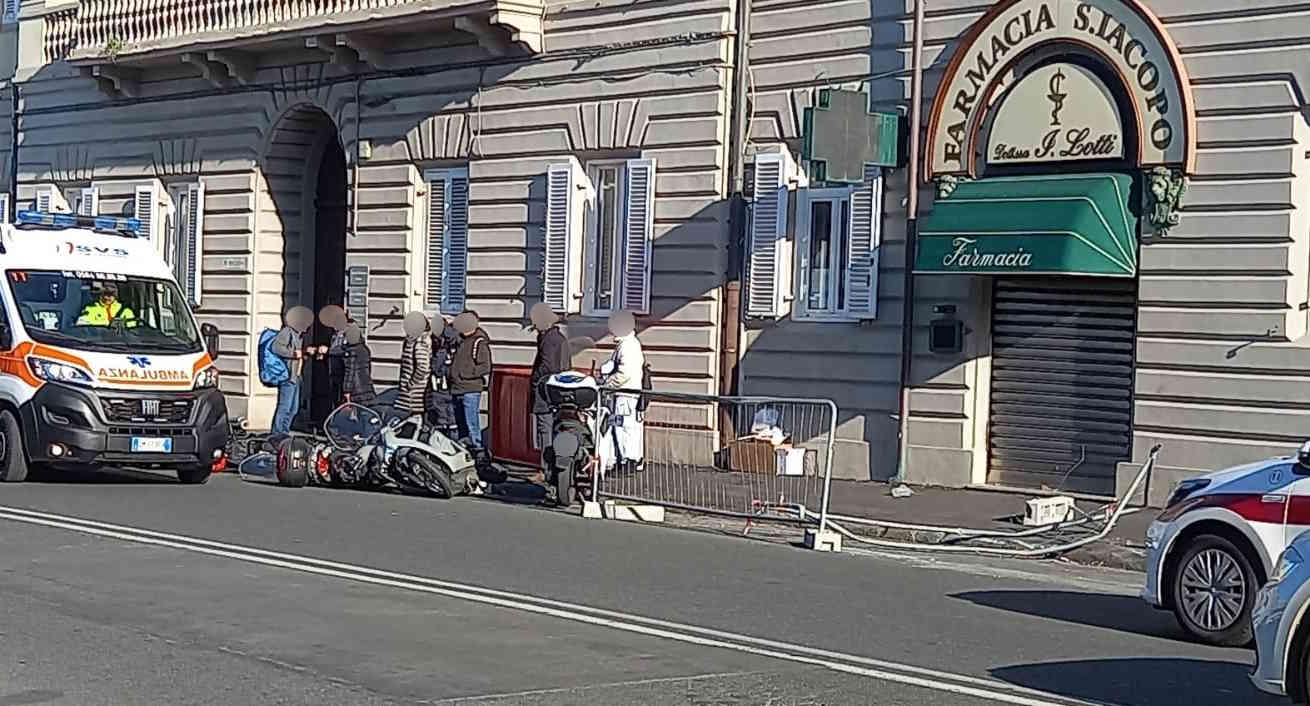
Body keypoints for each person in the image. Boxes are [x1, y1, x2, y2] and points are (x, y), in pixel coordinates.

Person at [599, 310, 645, 474]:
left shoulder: (628, 346)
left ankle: (627, 461)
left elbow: (624, 374)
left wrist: (608, 384)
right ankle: (626, 460)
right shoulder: (626, 344)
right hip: (625, 393)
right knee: (624, 426)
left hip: (625, 393)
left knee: (624, 427)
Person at [528, 302, 571, 477]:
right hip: (555, 389)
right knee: (551, 429)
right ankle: (549, 470)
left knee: (545, 430)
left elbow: (547, 365)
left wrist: (535, 379)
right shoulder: (557, 338)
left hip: (546, 391)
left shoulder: (549, 339)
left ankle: (546, 470)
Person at [449, 311, 492, 457]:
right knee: (461, 426)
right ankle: (463, 453)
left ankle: (478, 453)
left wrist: (465, 374)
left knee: (471, 424)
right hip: (456, 388)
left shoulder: (479, 342)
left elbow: (485, 366)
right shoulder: (458, 341)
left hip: (470, 389)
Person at [271, 305, 312, 434]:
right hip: (288, 376)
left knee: (293, 408)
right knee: (285, 407)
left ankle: (285, 430)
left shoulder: (298, 335)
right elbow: (276, 348)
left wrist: (305, 353)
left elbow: (298, 354)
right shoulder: (287, 332)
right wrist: (294, 354)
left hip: (296, 377)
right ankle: (277, 433)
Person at [426, 312, 459, 436]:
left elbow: (437, 366)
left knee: (445, 418)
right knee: (450, 418)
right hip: (444, 386)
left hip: (441, 386)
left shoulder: (442, 346)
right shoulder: (453, 340)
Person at [396, 311, 432, 423]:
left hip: (414, 392)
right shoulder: (412, 340)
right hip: (410, 390)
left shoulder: (420, 342)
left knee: (414, 421)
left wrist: (410, 384)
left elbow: (422, 367)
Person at [340, 323, 376, 408]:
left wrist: (346, 390)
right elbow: (368, 369)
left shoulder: (351, 351)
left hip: (356, 390)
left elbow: (350, 371)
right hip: (367, 388)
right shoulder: (365, 349)